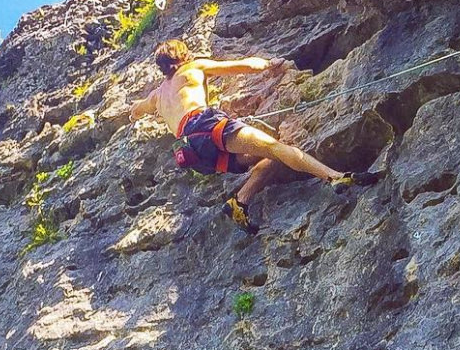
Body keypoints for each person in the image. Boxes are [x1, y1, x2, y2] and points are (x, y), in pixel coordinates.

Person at [129, 38, 367, 232]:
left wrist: (133, 115)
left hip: (195, 153)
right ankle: (335, 177)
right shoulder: (193, 68)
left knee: (270, 157)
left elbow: (137, 109)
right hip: (205, 125)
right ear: (183, 55)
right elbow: (242, 66)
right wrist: (270, 63)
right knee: (276, 147)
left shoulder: (157, 96)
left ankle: (239, 203)